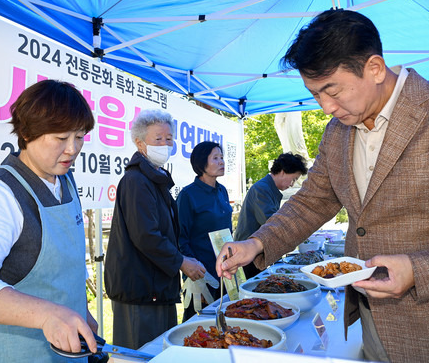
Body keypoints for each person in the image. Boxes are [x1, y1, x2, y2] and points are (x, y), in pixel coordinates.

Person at [216, 9, 429, 362]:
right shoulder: (338, 131)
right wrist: (258, 241)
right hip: (372, 326)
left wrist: (418, 270)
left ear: (375, 69)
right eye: (315, 94)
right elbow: (312, 201)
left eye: (331, 91)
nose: (325, 108)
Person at [0, 79, 99, 362]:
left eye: (80, 136)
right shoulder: (0, 192)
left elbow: (65, 267)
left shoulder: (67, 182)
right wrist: (48, 315)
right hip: (12, 352)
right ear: (27, 132)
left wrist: (81, 313)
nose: (73, 149)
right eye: (60, 138)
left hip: (65, 351)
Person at [104, 109, 205, 349]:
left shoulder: (155, 178)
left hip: (157, 286)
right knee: (141, 352)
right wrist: (181, 262)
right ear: (140, 143)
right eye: (158, 139)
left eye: (169, 138)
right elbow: (146, 235)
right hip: (140, 288)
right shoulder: (136, 181)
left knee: (160, 350)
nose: (165, 143)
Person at [176, 141, 233, 320]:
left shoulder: (222, 191)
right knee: (198, 321)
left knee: (226, 317)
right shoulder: (188, 195)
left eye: (222, 157)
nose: (221, 162)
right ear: (201, 163)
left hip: (225, 269)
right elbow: (180, 238)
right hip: (201, 273)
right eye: (215, 158)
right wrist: (194, 272)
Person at [234, 152, 308, 278]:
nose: (293, 184)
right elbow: (271, 222)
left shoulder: (269, 187)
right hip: (249, 253)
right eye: (294, 179)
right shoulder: (262, 189)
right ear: (283, 171)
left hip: (255, 250)